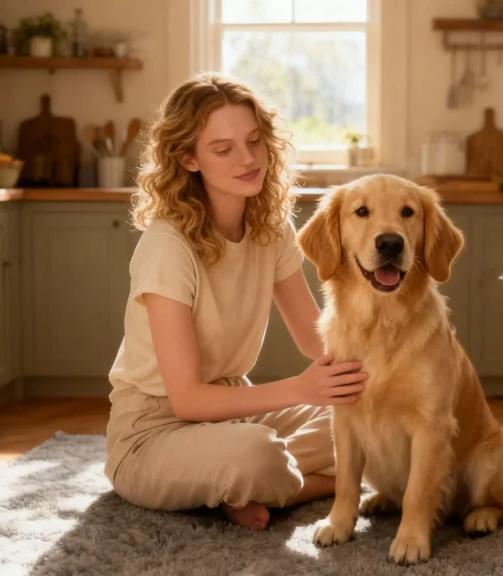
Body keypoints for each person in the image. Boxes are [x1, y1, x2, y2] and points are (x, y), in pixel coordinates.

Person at [104, 73, 367, 531]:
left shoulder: (271, 230)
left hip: (233, 406)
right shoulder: (167, 246)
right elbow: (185, 400)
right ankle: (318, 482)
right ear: (188, 158)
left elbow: (316, 339)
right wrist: (299, 390)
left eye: (254, 141)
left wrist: (390, 349)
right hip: (150, 433)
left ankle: (235, 487)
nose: (248, 160)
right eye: (224, 149)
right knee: (257, 454)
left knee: (365, 418)